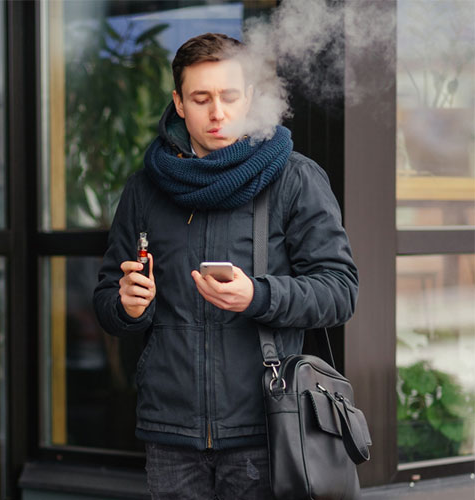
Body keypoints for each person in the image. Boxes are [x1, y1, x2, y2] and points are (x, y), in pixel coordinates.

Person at [93, 33, 358, 500]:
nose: (217, 112)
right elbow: (108, 298)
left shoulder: (294, 177)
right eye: (201, 98)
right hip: (170, 435)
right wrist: (128, 305)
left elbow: (340, 292)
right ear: (178, 102)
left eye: (229, 96)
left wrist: (259, 296)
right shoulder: (145, 188)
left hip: (267, 428)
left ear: (251, 97)